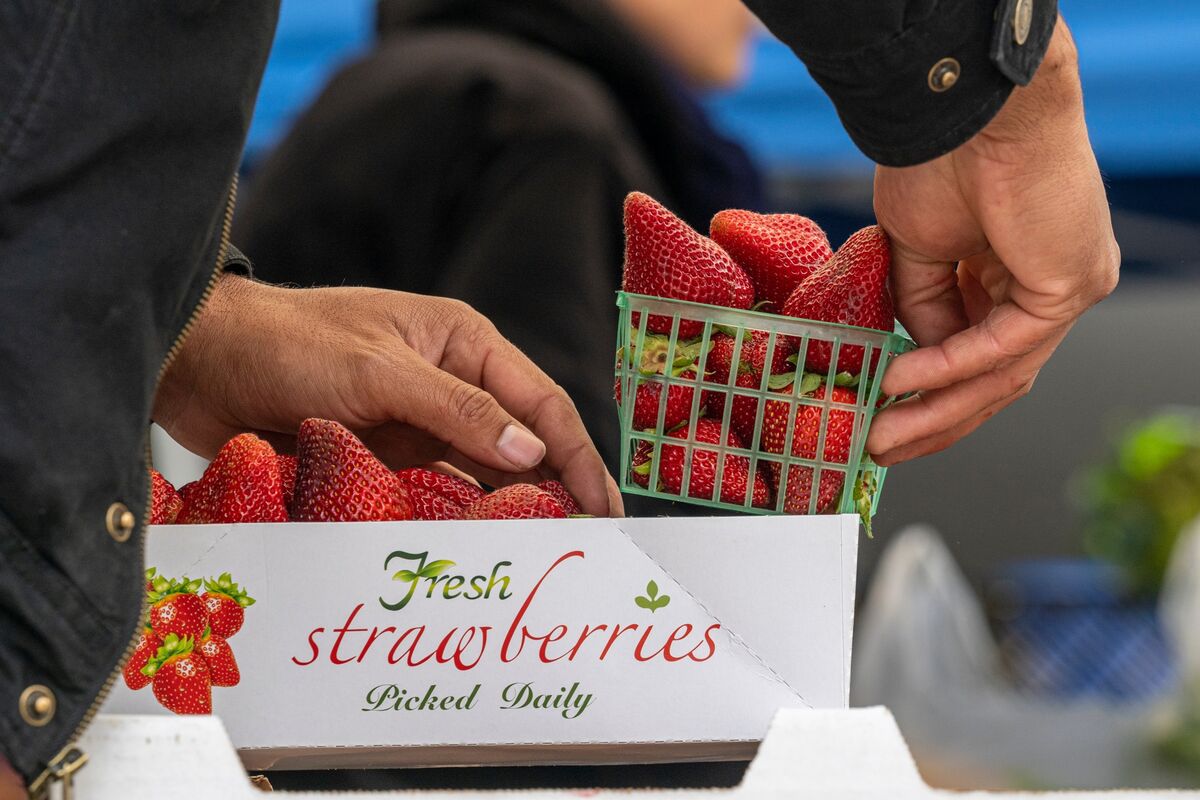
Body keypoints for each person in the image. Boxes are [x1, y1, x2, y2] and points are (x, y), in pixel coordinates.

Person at [0, 0, 1118, 796]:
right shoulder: (541, 125)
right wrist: (995, 83)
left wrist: (202, 322)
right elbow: (548, 561)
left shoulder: (398, 85)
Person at [235, 0, 765, 495]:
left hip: (318, 557)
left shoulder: (389, 79)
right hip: (447, 580)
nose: (765, 18)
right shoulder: (543, 124)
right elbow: (549, 482)